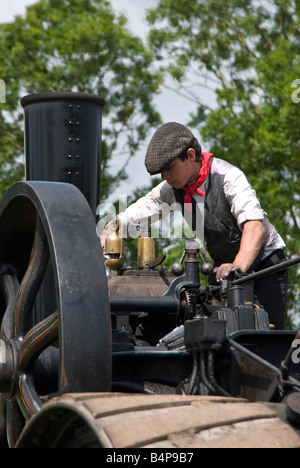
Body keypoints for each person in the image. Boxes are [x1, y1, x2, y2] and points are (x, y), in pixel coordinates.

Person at [101, 122, 288, 329]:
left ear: (190, 155)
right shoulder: (172, 188)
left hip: (266, 266)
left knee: (267, 338)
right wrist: (112, 228)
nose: (164, 176)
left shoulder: (229, 177)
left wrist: (237, 267)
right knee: (215, 338)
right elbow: (141, 210)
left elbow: (255, 228)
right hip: (224, 272)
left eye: (169, 168)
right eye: (161, 172)